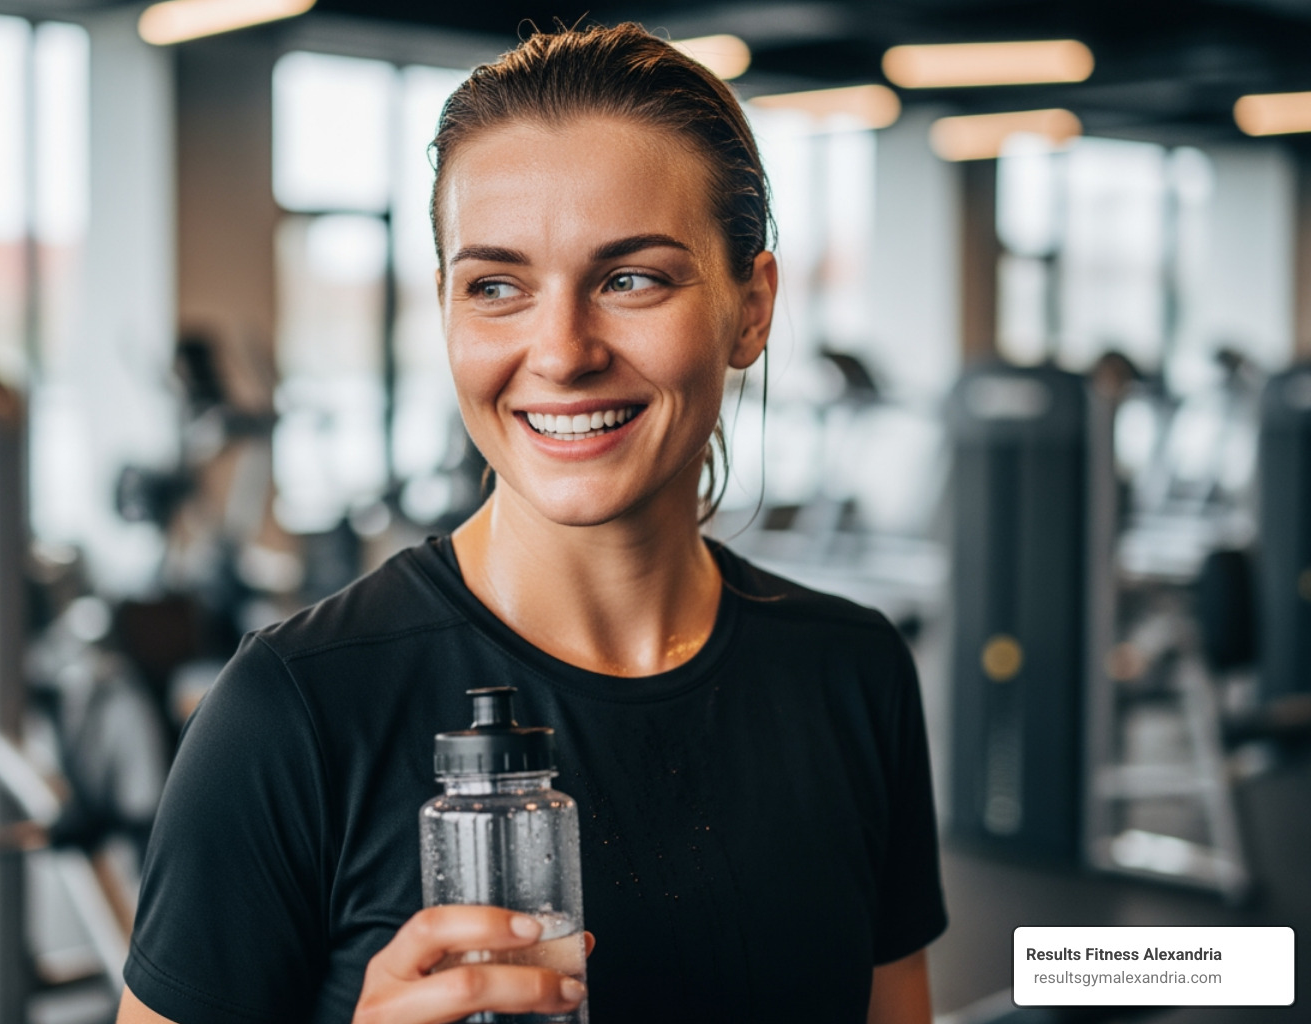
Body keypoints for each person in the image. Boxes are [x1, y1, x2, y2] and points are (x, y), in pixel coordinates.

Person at [118, 23, 945, 1024]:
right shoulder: (291, 713)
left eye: (631, 277)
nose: (560, 351)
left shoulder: (851, 672)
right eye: (497, 287)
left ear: (750, 307)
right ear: (446, 310)